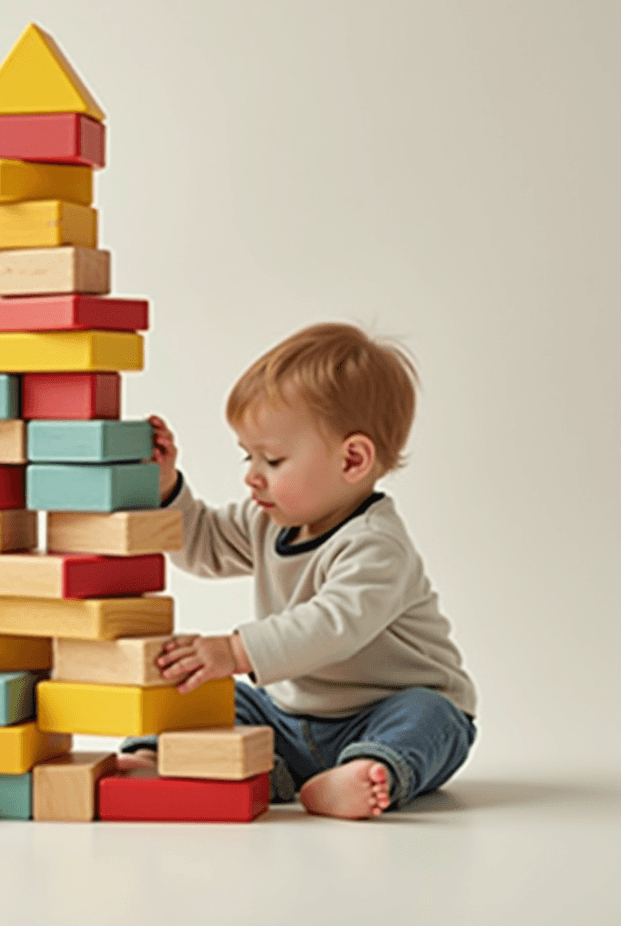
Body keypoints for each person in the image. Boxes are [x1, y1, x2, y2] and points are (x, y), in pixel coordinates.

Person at [123, 323, 477, 819]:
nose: (251, 475)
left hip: (382, 710)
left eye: (271, 459)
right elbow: (202, 544)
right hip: (289, 719)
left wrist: (235, 650)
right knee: (213, 697)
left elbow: (331, 625)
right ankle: (175, 756)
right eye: (249, 456)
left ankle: (370, 771)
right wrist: (165, 489)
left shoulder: (376, 546)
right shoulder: (268, 520)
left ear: (352, 459)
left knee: (431, 717)